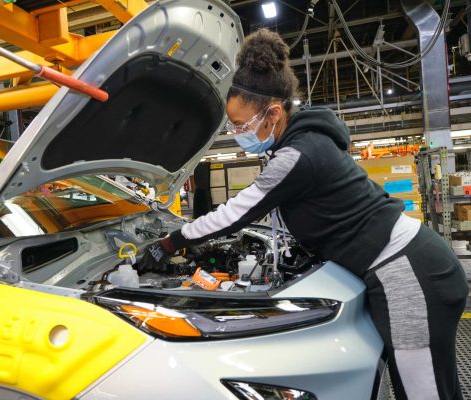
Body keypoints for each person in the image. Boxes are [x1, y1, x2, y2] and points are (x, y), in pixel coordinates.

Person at [143, 29, 468, 399]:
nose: (237, 134)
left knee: (424, 392)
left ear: (273, 114)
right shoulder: (304, 141)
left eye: (242, 125)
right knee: (427, 385)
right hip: (407, 265)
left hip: (409, 274)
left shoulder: (298, 155)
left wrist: (170, 243)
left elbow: (234, 214)